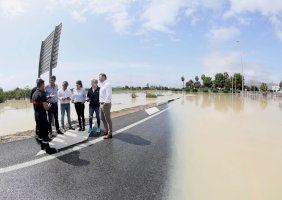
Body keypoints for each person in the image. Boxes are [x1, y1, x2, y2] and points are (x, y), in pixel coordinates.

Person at [32, 78, 57, 154]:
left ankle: (42, 145)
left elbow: (39, 101)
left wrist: (48, 97)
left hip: (36, 114)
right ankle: (48, 149)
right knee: (45, 131)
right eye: (43, 85)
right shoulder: (42, 93)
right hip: (42, 115)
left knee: (40, 130)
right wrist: (48, 106)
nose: (44, 86)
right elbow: (46, 107)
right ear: (41, 85)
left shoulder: (35, 93)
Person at [99, 73, 113, 139]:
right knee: (102, 118)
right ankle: (106, 130)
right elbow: (102, 96)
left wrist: (105, 103)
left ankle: (110, 134)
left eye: (100, 77)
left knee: (108, 119)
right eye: (99, 77)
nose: (99, 78)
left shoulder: (107, 84)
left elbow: (109, 95)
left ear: (104, 77)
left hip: (106, 104)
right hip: (101, 104)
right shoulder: (102, 85)